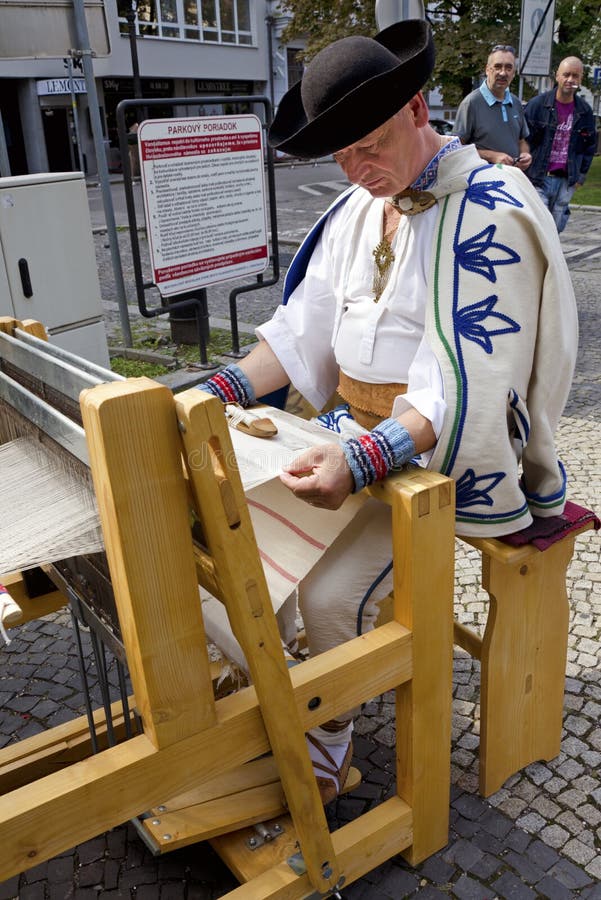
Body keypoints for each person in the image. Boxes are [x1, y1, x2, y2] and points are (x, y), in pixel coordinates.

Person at [200, 20, 578, 802]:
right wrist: (214, 393)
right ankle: (286, 686)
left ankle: (328, 743)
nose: (356, 170)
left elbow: (462, 381)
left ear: (415, 108)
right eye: (338, 156)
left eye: (367, 146)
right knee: (225, 542)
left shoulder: (490, 209)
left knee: (332, 596)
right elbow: (300, 333)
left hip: (438, 457)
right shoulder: (353, 208)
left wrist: (362, 459)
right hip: (347, 432)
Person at [524, 56, 597, 233]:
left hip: (566, 179)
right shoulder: (537, 105)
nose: (570, 80)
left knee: (555, 229)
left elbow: (589, 146)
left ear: (580, 79)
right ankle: (540, 260)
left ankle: (550, 259)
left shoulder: (584, 111)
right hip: (538, 177)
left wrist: (580, 177)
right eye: (566, 74)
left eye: (575, 76)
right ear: (557, 76)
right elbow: (523, 139)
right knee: (540, 227)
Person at [454, 44, 532, 170]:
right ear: (487, 70)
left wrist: (525, 154)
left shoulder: (516, 103)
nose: (503, 72)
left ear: (513, 73)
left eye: (508, 68)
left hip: (512, 179)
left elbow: (521, 141)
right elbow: (456, 151)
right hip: (481, 182)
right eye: (497, 67)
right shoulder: (471, 103)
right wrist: (491, 156)